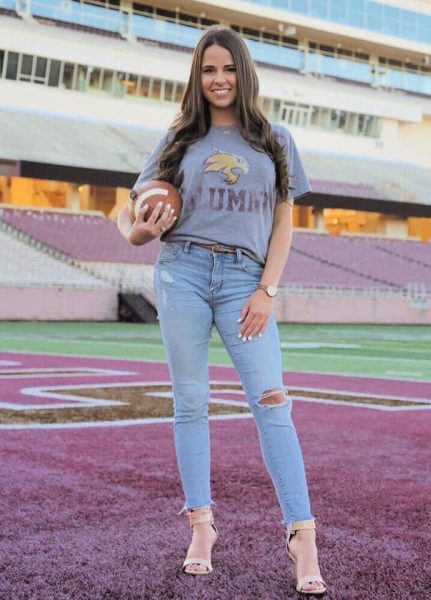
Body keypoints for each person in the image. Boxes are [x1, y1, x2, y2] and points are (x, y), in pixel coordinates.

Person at [117, 25, 327, 596]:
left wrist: (267, 290)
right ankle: (201, 527)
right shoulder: (178, 138)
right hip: (180, 270)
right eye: (209, 69)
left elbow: (284, 220)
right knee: (190, 403)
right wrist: (137, 228)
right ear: (197, 75)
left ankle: (302, 536)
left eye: (228, 68)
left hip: (244, 280)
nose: (219, 79)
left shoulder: (275, 139)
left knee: (272, 401)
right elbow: (130, 210)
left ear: (244, 72)